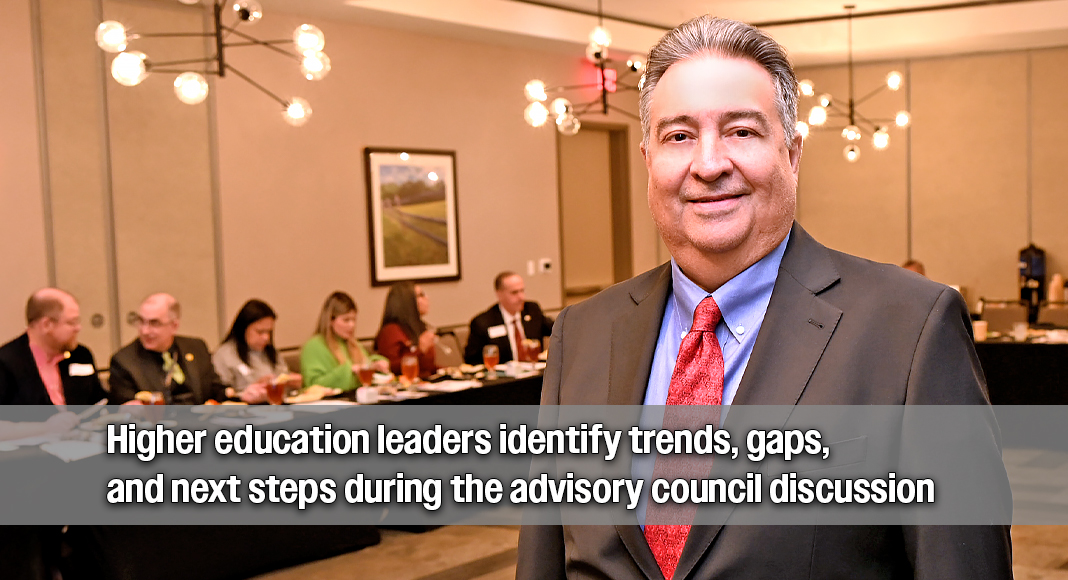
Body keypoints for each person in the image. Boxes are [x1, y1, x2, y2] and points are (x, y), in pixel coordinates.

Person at [516, 15, 1011, 580]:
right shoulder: (581, 333)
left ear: (792, 153)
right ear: (649, 160)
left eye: (741, 132)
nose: (708, 164)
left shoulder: (911, 330)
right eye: (679, 136)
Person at [108, 293, 225, 404]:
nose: (145, 331)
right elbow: (124, 407)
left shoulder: (196, 348)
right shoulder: (124, 361)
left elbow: (215, 391)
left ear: (174, 326)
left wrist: (236, 394)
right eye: (141, 321)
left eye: (154, 323)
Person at [0, 288, 107, 405]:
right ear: (46, 325)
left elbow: (99, 401)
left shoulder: (81, 355)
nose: (78, 328)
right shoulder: (7, 363)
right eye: (71, 322)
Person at [213, 299, 301, 403]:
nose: (266, 338)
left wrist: (292, 383)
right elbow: (222, 394)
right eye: (260, 332)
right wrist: (255, 387)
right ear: (243, 328)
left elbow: (283, 380)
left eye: (269, 332)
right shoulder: (225, 355)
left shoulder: (270, 351)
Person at [301, 292, 387, 391]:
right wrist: (349, 370)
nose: (352, 325)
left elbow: (365, 365)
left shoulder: (353, 344)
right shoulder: (313, 346)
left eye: (354, 320)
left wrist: (375, 365)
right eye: (346, 320)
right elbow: (313, 384)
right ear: (330, 321)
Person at [463, 272, 554, 365]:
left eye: (522, 291)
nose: (521, 297)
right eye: (514, 292)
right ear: (499, 294)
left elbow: (556, 329)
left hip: (536, 375)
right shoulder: (483, 323)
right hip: (505, 377)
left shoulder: (532, 310)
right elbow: (471, 360)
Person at [375, 282, 436, 377]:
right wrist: (420, 350)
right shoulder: (391, 331)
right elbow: (390, 367)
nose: (426, 298)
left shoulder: (420, 327)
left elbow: (426, 367)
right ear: (407, 301)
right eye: (421, 295)